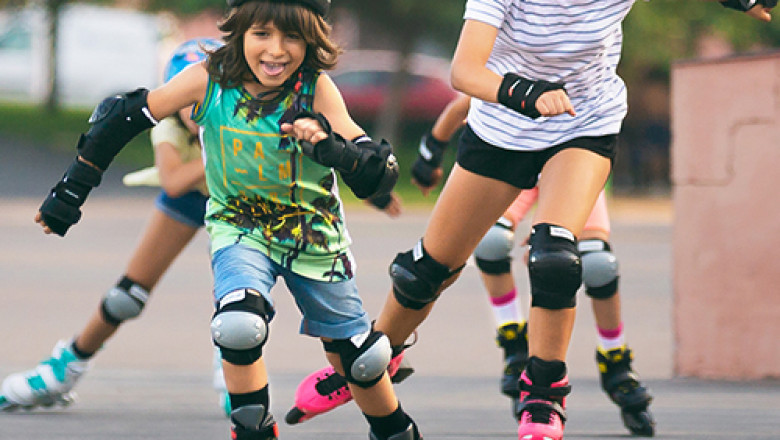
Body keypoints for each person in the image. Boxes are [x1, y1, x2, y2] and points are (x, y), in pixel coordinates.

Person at [291, 1, 774, 439]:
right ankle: (374, 358)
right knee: (425, 270)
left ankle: (543, 394)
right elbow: (464, 71)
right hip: (502, 128)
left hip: (584, 125)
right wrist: (526, 94)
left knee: (556, 257)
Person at [33, 1, 422, 439]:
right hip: (240, 228)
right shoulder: (209, 78)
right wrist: (72, 189)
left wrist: (332, 148)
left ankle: (396, 431)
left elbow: (378, 171)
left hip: (313, 237)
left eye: (292, 37)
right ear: (239, 32)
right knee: (238, 324)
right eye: (262, 34)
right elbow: (121, 116)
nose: (276, 50)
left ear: (312, 39)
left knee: (361, 360)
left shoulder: (316, 88)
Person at [0, 37, 220, 413]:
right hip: (188, 197)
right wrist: (226, 151)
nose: (194, 106)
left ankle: (236, 370)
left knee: (240, 305)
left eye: (202, 94)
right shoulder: (168, 127)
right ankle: (66, 366)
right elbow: (173, 181)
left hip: (235, 201)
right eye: (184, 97)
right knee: (126, 295)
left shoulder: (239, 116)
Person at [413, 93, 654, 436]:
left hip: (574, 164)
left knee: (597, 264)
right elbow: (461, 105)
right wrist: (430, 156)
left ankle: (615, 360)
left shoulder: (581, 68)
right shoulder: (513, 66)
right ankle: (514, 341)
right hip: (517, 160)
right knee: (491, 242)